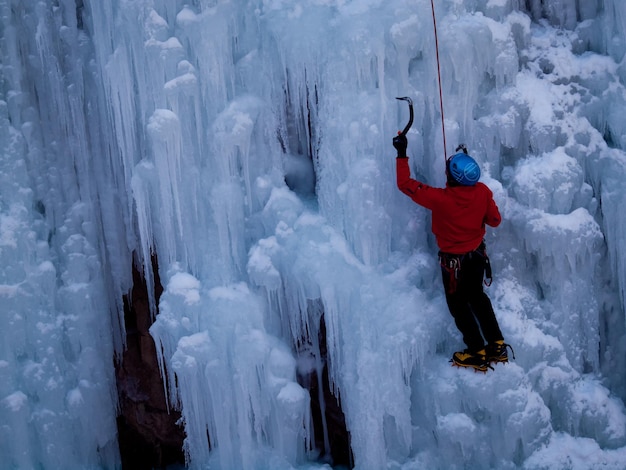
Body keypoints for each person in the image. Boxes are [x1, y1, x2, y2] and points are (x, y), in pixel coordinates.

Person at [393, 134, 511, 372]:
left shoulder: (440, 198)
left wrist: (402, 153)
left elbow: (405, 184)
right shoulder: (483, 191)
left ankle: (477, 351)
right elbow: (495, 220)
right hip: (477, 255)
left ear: (452, 177)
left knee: (458, 304)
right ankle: (497, 345)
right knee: (477, 297)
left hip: (453, 263)